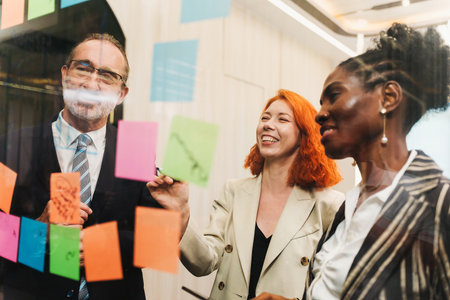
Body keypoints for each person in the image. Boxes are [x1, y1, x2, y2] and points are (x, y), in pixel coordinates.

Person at [1, 33, 160, 300]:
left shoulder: (136, 149)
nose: (91, 83)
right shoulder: (13, 145)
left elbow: (155, 240)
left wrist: (105, 248)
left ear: (122, 94)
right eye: (83, 68)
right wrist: (39, 233)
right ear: (65, 75)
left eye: (108, 75)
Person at [147, 89, 344, 300]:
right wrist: (180, 212)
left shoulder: (329, 205)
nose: (268, 124)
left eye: (282, 119)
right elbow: (203, 263)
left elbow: (334, 287)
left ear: (303, 135)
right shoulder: (234, 191)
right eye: (265, 118)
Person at [302, 23, 450, 299]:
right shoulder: (348, 206)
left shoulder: (440, 203)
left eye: (334, 96)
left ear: (388, 97)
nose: (319, 114)